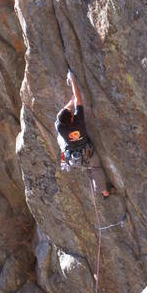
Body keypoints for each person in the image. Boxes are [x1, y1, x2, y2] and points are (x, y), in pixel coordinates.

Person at [55, 70, 110, 198]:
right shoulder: (79, 121)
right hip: (88, 153)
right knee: (96, 168)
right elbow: (79, 99)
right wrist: (73, 80)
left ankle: (64, 161)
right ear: (72, 118)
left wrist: (71, 103)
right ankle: (104, 192)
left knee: (60, 138)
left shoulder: (60, 127)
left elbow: (60, 116)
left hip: (73, 158)